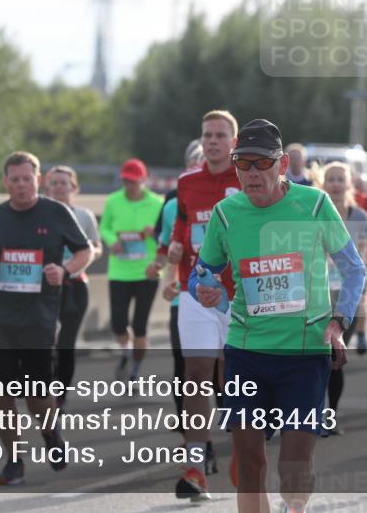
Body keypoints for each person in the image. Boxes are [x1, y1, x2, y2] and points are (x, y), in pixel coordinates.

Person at [190, 118, 366, 513]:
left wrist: (339, 322)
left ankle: (294, 506)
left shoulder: (315, 205)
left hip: (304, 354)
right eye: (243, 163)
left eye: (262, 163)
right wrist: (204, 288)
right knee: (249, 463)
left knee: (294, 470)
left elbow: (354, 269)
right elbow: (201, 274)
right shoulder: (225, 214)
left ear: (282, 164)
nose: (251, 173)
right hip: (245, 352)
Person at [0, 151, 92, 486]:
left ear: (38, 179)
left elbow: (85, 250)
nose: (21, 185)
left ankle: (51, 435)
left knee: (36, 394)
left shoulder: (56, 212)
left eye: (27, 178)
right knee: (1, 393)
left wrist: (64, 270)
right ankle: (14, 461)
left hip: (39, 318)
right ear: (6, 182)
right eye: (15, 179)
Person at [143, 111, 241, 501]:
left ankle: (244, 447)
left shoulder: (247, 180)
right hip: (195, 289)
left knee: (235, 375)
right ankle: (196, 467)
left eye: (219, 135)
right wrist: (174, 248)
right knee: (195, 372)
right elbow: (181, 228)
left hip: (240, 294)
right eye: (207, 135)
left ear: (233, 142)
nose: (212, 141)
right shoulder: (186, 183)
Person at [153, 139, 205, 432]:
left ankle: (235, 426)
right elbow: (169, 247)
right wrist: (164, 275)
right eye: (193, 165)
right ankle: (190, 430)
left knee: (223, 369)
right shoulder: (174, 204)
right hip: (183, 296)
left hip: (224, 297)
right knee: (184, 365)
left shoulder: (232, 198)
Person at [318, 162, 367, 433]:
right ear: (323, 184)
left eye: (341, 179)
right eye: (331, 179)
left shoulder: (359, 216)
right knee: (316, 359)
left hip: (346, 299)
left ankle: (331, 415)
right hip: (317, 296)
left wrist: (361, 291)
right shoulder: (313, 213)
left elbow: (364, 257)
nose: (336, 184)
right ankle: (313, 414)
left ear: (349, 184)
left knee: (335, 359)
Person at [99, 158, 164, 381]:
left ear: (144, 180)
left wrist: (154, 232)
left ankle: (135, 368)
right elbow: (104, 227)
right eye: (126, 181)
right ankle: (127, 353)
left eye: (133, 181)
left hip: (147, 271)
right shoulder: (113, 201)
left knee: (140, 326)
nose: (129, 186)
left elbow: (168, 233)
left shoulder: (157, 203)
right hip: (119, 271)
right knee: (118, 324)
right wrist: (111, 241)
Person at [44, 165, 102, 405]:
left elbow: (96, 247)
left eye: (63, 183)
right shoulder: (41, 215)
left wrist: (84, 257)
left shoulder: (84, 216)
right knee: (45, 341)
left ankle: (60, 397)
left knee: (66, 344)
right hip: (45, 287)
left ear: (74, 188)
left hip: (75, 285)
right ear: (47, 188)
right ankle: (44, 390)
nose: (59, 187)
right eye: (54, 183)